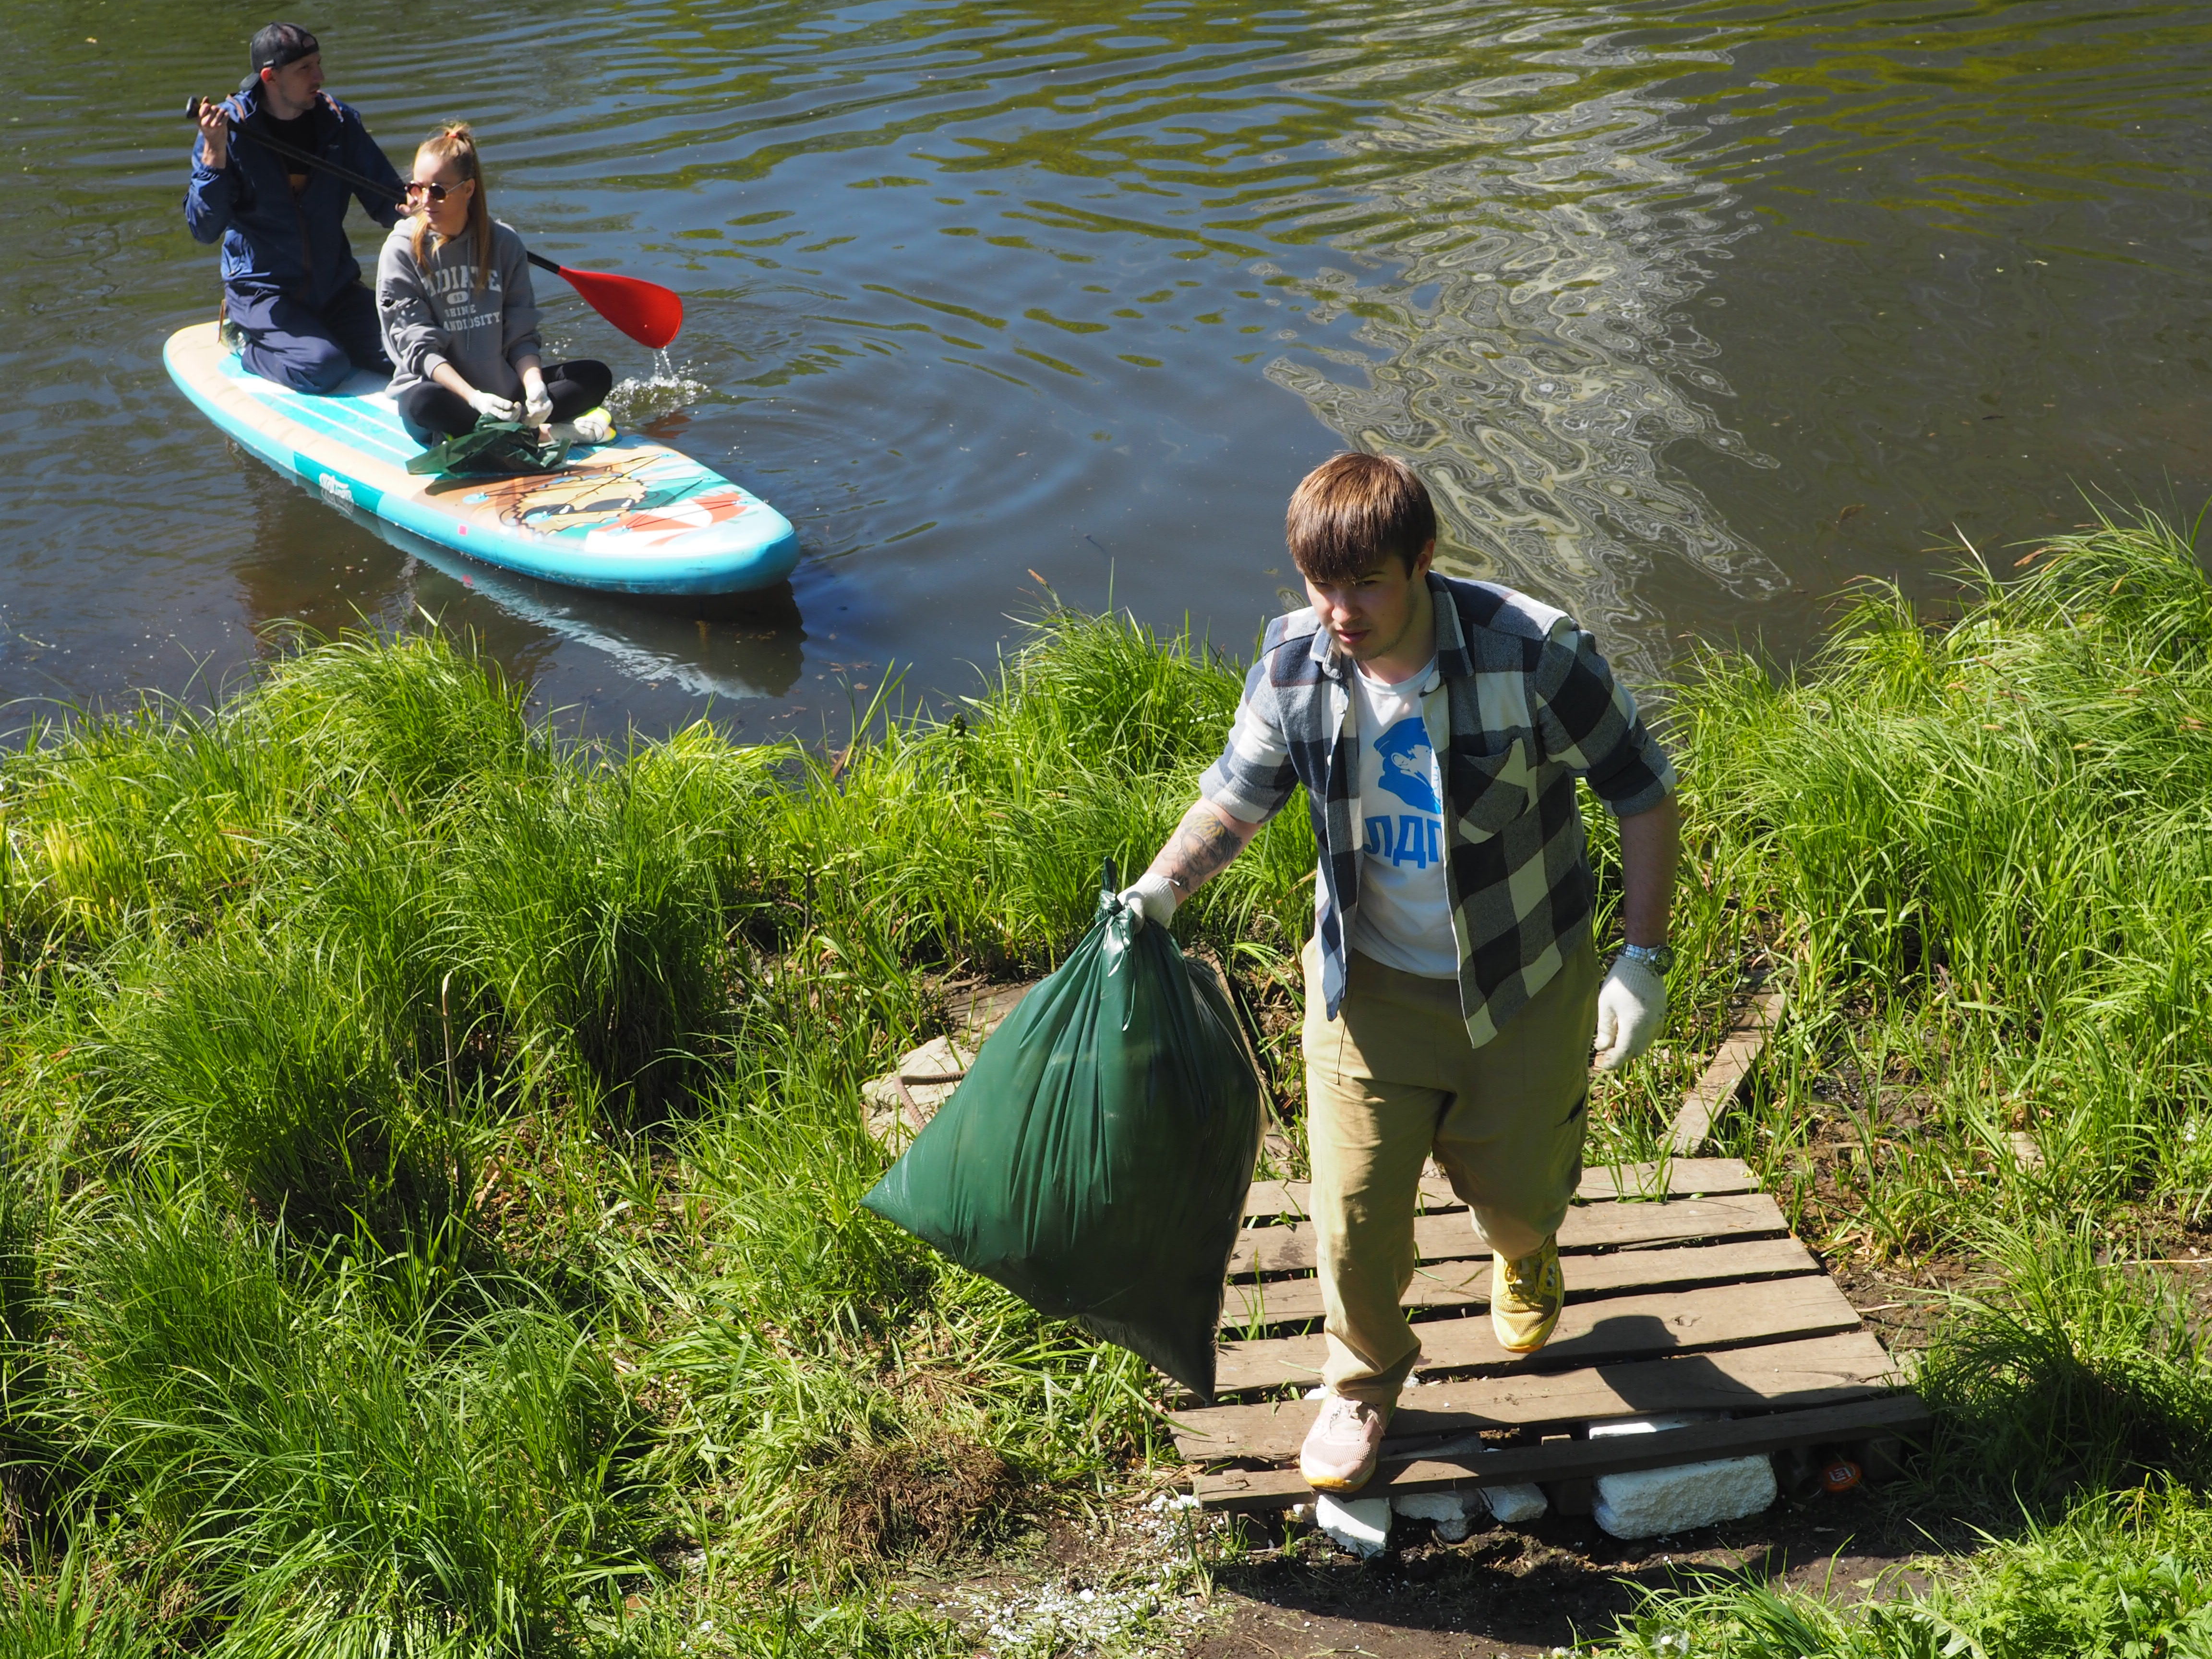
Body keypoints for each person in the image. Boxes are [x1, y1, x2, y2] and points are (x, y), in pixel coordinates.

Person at [1119, 453, 1680, 1495]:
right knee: (1353, 1214)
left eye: (1366, 582)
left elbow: (1643, 792)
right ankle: (1362, 1383)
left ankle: (1524, 1249)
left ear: (1424, 561)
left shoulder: (1536, 655)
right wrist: (1160, 889)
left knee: (1519, 1198)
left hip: (1522, 985)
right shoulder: (1294, 665)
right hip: (1366, 992)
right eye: (1318, 584)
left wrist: (1640, 962)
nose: (1340, 610)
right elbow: (1236, 803)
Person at [184, 23, 406, 394]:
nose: (319, 76)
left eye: (318, 63)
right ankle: (246, 344)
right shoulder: (228, 132)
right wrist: (214, 155)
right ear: (271, 78)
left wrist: (425, 208)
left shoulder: (339, 123)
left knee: (416, 348)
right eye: (305, 69)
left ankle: (324, 336)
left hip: (335, 289)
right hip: (265, 296)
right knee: (324, 366)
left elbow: (388, 202)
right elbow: (204, 229)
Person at [375, 123, 614, 450]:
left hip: (507, 394)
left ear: (468, 189)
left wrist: (535, 389)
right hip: (447, 398)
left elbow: (521, 334)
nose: (426, 201)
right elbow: (420, 350)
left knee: (595, 375)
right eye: (417, 189)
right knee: (422, 404)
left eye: (438, 191)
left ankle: (519, 429)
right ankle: (539, 434)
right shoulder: (400, 251)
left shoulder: (504, 242)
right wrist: (474, 398)